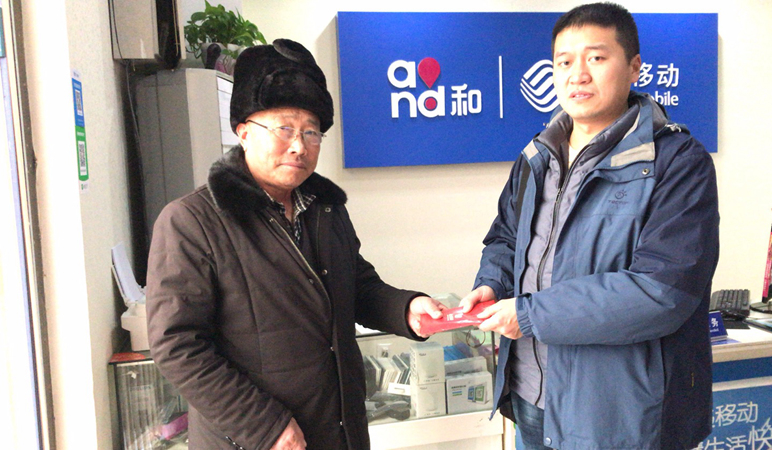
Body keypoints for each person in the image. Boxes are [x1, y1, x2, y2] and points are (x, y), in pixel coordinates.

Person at [146, 39, 445, 450]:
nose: (299, 145)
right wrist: (263, 426)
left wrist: (406, 309)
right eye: (284, 128)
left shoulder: (326, 209)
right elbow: (177, 345)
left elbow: (356, 286)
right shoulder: (192, 221)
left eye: (311, 132)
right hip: (256, 440)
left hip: (338, 431)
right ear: (243, 132)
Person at [460, 3, 719, 450]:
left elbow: (661, 292)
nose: (577, 75)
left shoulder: (676, 162)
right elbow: (507, 238)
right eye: (564, 62)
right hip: (530, 399)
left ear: (634, 67)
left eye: (596, 58)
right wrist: (492, 284)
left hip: (618, 416)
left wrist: (529, 314)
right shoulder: (537, 156)